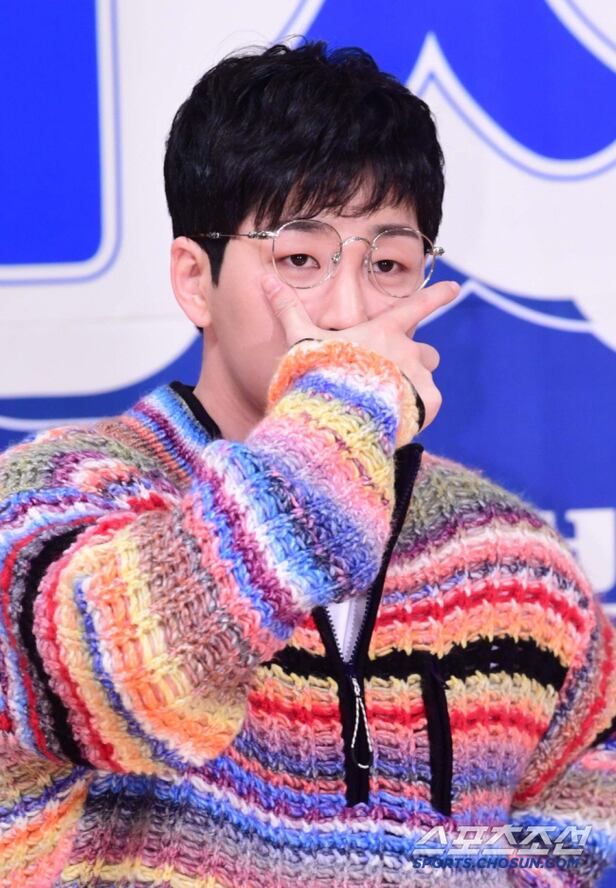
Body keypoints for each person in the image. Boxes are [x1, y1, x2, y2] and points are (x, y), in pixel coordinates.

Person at [0, 40, 614, 888]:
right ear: (195, 279)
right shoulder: (52, 502)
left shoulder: (507, 554)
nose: (349, 306)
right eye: (301, 259)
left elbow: (594, 753)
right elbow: (113, 675)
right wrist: (339, 414)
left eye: (389, 264)